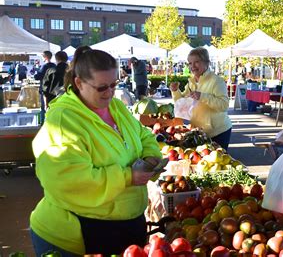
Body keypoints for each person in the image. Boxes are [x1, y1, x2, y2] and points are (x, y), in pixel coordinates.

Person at [30, 46, 163, 256]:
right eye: (102, 88)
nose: (110, 93)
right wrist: (128, 176)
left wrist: (150, 156)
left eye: (113, 84)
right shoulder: (64, 120)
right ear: (79, 83)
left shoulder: (116, 107)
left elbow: (143, 135)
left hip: (122, 226)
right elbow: (68, 179)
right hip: (77, 234)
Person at [170, 47, 232, 150]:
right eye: (190, 63)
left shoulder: (217, 81)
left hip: (219, 132)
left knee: (217, 162)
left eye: (196, 62)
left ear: (206, 63)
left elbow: (224, 105)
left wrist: (202, 96)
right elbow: (181, 104)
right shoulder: (191, 82)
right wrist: (175, 91)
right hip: (199, 132)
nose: (192, 66)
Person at [34, 51, 56, 124]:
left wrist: (36, 73)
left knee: (44, 107)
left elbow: (38, 76)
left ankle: (45, 122)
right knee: (53, 106)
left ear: (45, 57)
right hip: (54, 89)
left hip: (45, 89)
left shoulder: (45, 66)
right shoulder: (54, 65)